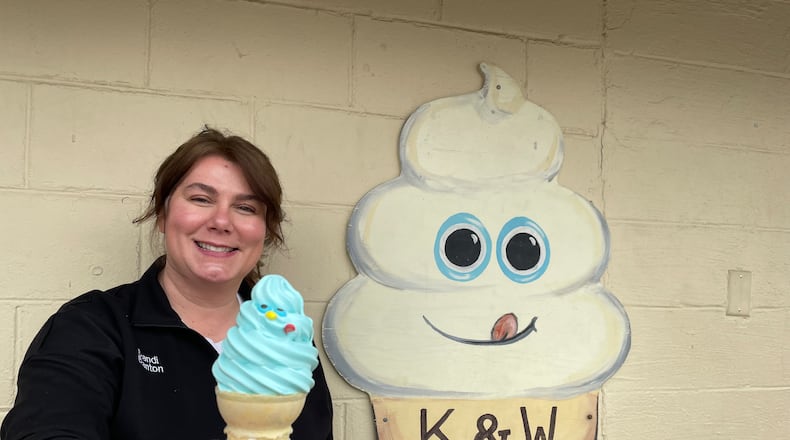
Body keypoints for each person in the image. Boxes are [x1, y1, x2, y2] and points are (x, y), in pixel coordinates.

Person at [1, 128, 333, 440]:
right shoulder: (92, 327)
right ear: (162, 213)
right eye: (201, 199)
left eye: (245, 207)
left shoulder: (286, 338)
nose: (221, 221)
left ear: (264, 229)